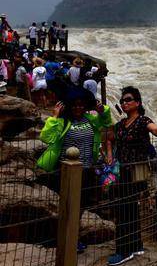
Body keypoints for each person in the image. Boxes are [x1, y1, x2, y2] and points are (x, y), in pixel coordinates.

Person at [37, 88, 112, 252]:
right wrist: (54, 117)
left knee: (80, 207)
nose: (78, 108)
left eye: (81, 105)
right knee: (68, 206)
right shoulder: (63, 122)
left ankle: (74, 238)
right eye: (75, 105)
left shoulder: (90, 119)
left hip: (87, 171)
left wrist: (103, 110)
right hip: (66, 172)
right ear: (69, 106)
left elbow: (106, 123)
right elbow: (46, 137)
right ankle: (65, 239)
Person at [107, 86, 157, 266]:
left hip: (135, 173)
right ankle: (136, 245)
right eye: (122, 101)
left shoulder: (142, 120)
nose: (124, 103)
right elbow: (109, 137)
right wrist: (109, 155)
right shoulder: (120, 125)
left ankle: (124, 250)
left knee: (124, 210)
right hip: (122, 173)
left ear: (137, 103)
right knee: (129, 209)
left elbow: (154, 129)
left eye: (128, 99)